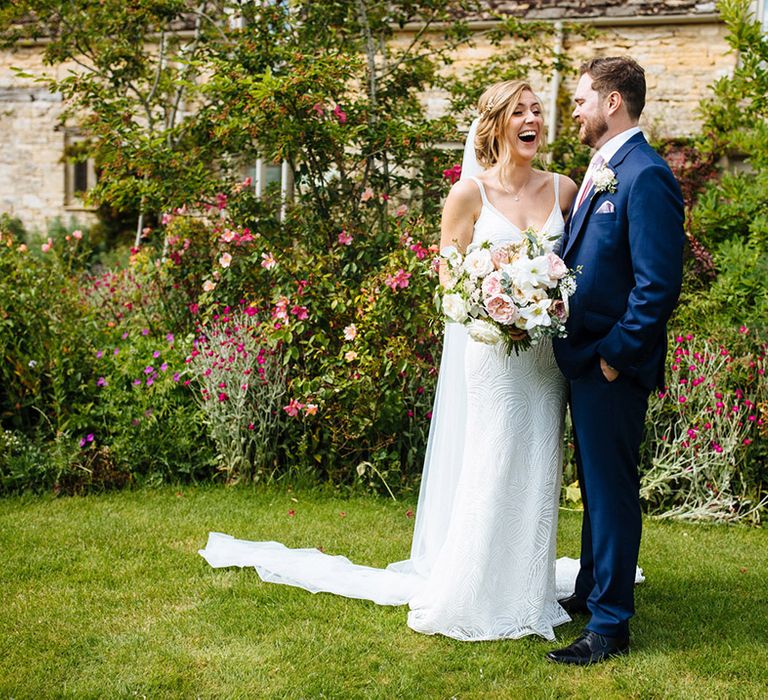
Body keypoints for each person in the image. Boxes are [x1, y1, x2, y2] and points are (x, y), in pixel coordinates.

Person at [199, 80, 584, 642]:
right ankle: (473, 590)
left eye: (536, 111)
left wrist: (543, 300)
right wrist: (491, 306)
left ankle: (528, 588)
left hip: (543, 358)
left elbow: (569, 267)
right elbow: (449, 274)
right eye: (518, 111)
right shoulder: (468, 195)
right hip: (492, 353)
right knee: (494, 461)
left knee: (537, 464)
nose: (532, 120)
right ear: (496, 124)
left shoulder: (564, 190)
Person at [549, 57, 685, 665]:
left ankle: (610, 627)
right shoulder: (604, 166)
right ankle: (589, 591)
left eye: (581, 100)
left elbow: (656, 286)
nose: (573, 110)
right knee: (595, 488)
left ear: (612, 103)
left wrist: (612, 357)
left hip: (611, 365)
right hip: (585, 359)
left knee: (612, 492)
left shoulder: (646, 175)